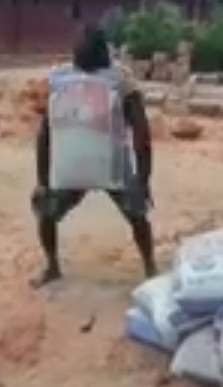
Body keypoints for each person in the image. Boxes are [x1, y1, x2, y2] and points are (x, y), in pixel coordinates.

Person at [30, 25, 157, 288]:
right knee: (47, 211)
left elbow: (141, 135)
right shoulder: (66, 80)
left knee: (136, 215)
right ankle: (149, 268)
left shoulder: (119, 82)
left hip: (98, 164)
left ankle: (150, 266)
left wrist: (143, 180)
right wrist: (142, 181)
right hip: (95, 165)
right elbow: (141, 135)